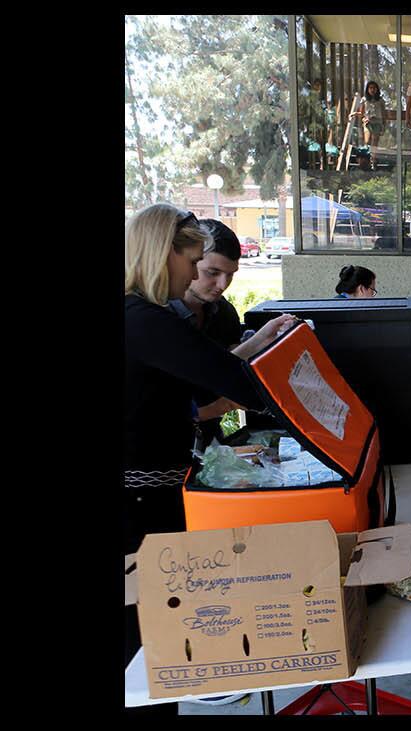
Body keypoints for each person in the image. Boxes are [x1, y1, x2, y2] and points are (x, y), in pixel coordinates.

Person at [124, 204, 296, 711]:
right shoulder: (146, 318)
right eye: (198, 263)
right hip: (139, 498)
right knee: (146, 641)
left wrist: (260, 349)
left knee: (159, 631)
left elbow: (215, 374)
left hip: (161, 480)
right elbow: (230, 385)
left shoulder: (189, 315)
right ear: (166, 255)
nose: (208, 279)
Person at [177, 219, 248, 450]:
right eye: (212, 272)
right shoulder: (154, 314)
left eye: (231, 275)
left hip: (209, 441)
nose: (222, 284)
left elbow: (232, 366)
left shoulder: (224, 311)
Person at [354, 80, 386, 170]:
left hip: (378, 122)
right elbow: (361, 113)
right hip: (368, 123)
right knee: (367, 141)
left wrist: (384, 125)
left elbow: (383, 114)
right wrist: (358, 116)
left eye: (374, 88)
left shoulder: (380, 100)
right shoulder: (364, 100)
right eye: (370, 88)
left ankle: (373, 160)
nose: (372, 90)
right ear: (368, 89)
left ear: (377, 90)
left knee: (374, 142)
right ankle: (366, 161)